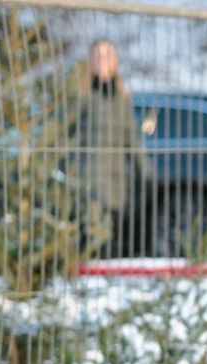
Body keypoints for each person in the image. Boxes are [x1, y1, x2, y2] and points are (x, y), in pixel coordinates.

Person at [69, 39, 146, 257]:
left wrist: (145, 172)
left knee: (114, 240)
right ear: (90, 61)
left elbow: (132, 138)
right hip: (88, 181)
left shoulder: (121, 98)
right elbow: (67, 134)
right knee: (91, 240)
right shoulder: (81, 96)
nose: (102, 60)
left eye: (107, 55)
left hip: (116, 181)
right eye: (98, 56)